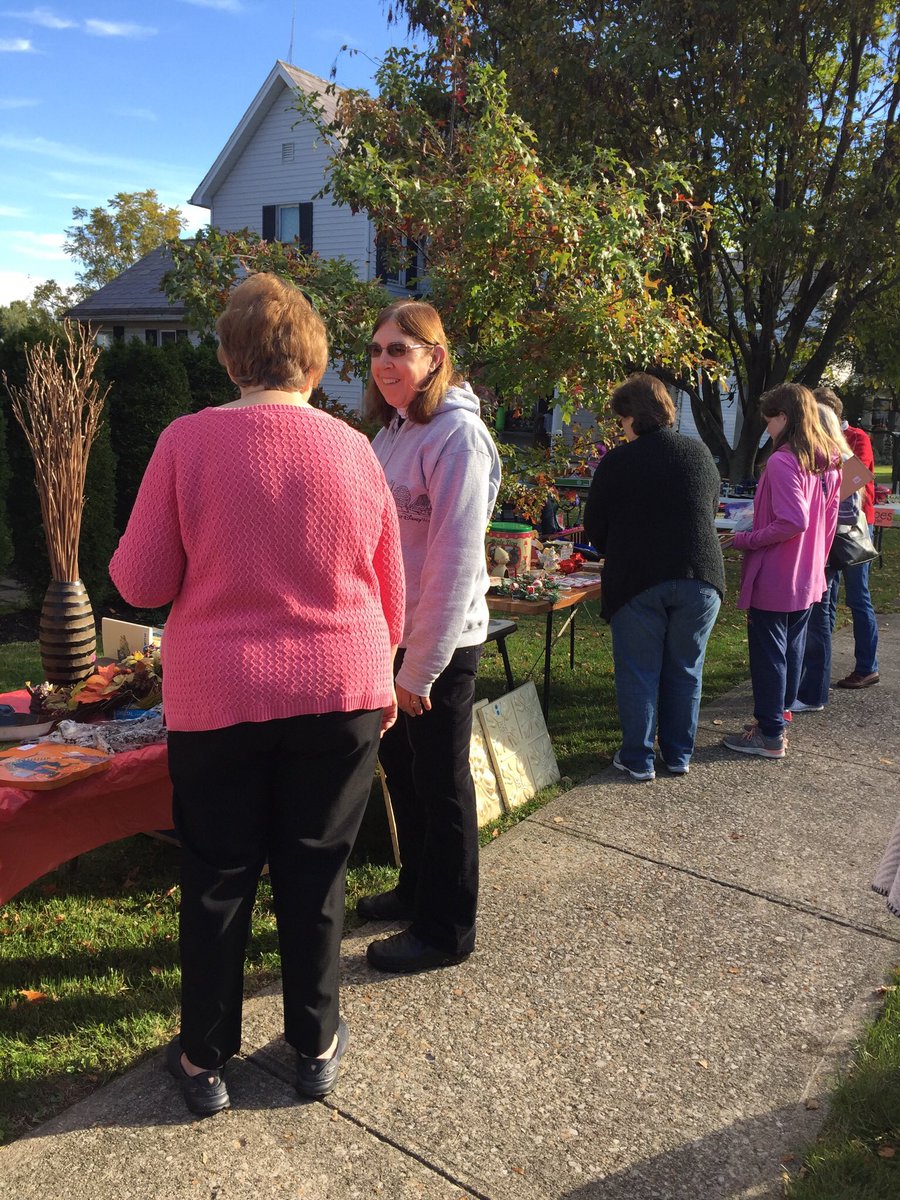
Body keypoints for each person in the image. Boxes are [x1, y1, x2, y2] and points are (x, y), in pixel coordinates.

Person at [110, 273, 405, 1116]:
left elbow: (139, 579)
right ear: (313, 359)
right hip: (340, 688)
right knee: (317, 872)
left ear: (231, 356)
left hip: (221, 696)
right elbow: (391, 589)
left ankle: (205, 1061)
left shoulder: (186, 442)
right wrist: (382, 677)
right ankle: (314, 1045)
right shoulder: (354, 448)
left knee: (217, 876)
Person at [357, 299, 501, 974]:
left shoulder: (458, 439)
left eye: (401, 349)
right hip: (393, 639)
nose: (386, 361)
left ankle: (445, 931)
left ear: (434, 357)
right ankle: (416, 890)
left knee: (441, 788)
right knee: (406, 781)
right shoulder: (393, 431)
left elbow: (453, 560)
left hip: (438, 646)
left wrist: (421, 668)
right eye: (379, 349)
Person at [583, 373, 725, 781]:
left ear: (631, 417)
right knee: (686, 669)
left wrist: (618, 547)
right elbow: (708, 509)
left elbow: (595, 525)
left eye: (621, 419)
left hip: (639, 579)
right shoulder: (699, 454)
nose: (621, 427)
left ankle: (638, 758)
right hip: (701, 577)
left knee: (639, 671)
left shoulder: (618, 462)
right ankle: (678, 755)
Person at [722, 383, 840, 759]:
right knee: (791, 650)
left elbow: (793, 520)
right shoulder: (827, 462)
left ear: (784, 418)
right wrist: (816, 562)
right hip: (807, 573)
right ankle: (776, 720)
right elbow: (829, 522)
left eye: (769, 420)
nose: (767, 428)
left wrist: (745, 539)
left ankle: (770, 732)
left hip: (778, 574)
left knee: (770, 653)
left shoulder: (784, 461)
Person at [793, 404, 858, 712]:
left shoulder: (840, 462)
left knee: (818, 622)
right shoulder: (837, 459)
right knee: (819, 619)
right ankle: (808, 687)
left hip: (827, 553)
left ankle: (812, 693)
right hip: (823, 552)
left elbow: (849, 514)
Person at [815, 388, 879, 689]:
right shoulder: (817, 441)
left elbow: (857, 479)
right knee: (825, 598)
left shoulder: (857, 438)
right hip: (827, 530)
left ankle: (867, 666)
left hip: (853, 530)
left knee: (857, 598)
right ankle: (817, 666)